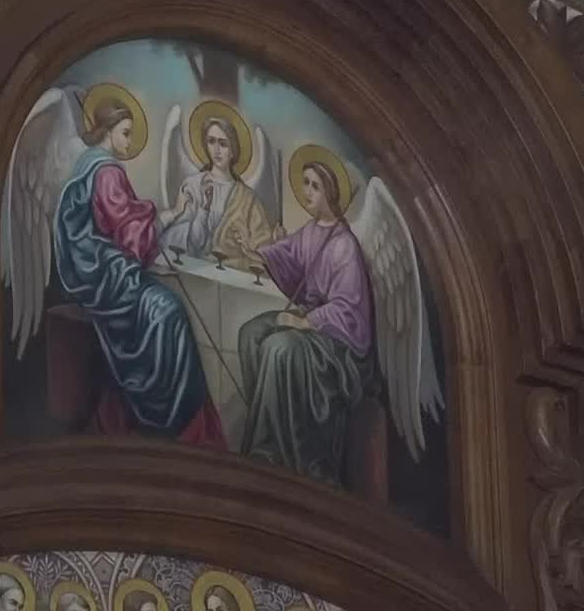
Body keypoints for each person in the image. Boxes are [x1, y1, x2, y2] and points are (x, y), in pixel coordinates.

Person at [54, 96, 227, 450]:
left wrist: (170, 217)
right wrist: (174, 213)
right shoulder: (107, 171)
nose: (130, 141)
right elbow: (130, 235)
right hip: (109, 278)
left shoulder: (87, 165)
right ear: (107, 132)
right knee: (170, 314)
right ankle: (178, 423)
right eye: (125, 133)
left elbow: (125, 226)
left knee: (168, 308)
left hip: (95, 272)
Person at [231, 160, 374, 485]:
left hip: (338, 344)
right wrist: (255, 252)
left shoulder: (344, 245)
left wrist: (304, 322)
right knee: (250, 333)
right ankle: (270, 431)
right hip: (309, 321)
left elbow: (348, 310)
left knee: (279, 347)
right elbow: (285, 256)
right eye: (305, 183)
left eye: (315, 186)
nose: (307, 191)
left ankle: (281, 450)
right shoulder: (311, 231)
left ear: (331, 192)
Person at [160, 115, 276, 263]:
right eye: (211, 141)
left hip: (232, 271)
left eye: (223, 144)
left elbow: (263, 245)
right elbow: (183, 242)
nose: (216, 150)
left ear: (233, 150)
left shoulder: (248, 198)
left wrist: (249, 245)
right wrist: (203, 210)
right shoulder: (193, 185)